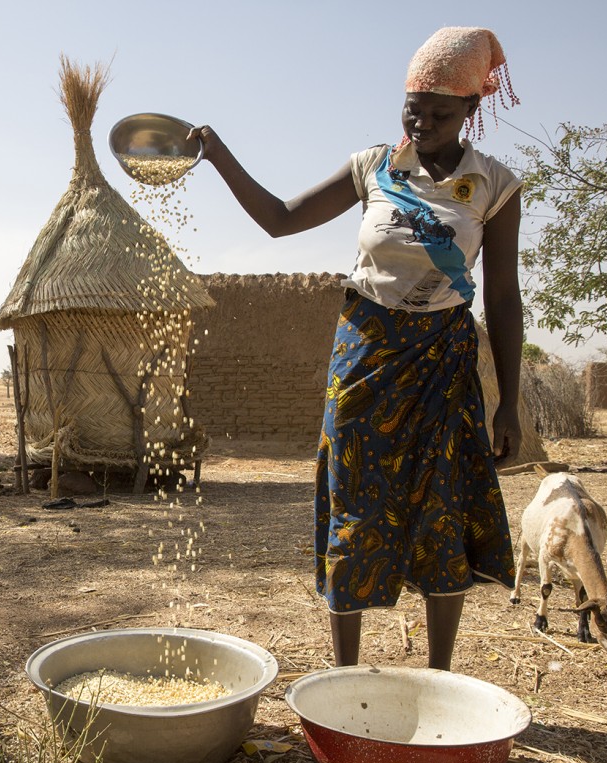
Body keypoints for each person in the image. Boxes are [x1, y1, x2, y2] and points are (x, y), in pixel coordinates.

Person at [189, 26, 523, 671]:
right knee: (353, 499)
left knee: (441, 504)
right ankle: (343, 675)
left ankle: (440, 677)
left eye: (439, 112)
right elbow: (281, 219)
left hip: (443, 360)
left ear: (471, 111)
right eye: (412, 109)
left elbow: (503, 296)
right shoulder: (372, 167)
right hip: (365, 356)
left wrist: (508, 400)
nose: (422, 122)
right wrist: (218, 152)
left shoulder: (494, 186)